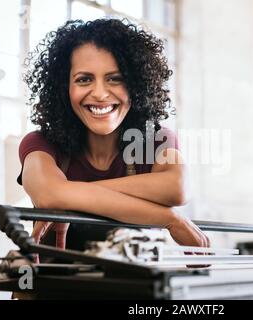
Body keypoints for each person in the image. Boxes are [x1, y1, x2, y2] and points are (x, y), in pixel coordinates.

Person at [17, 18, 210, 253]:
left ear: (136, 86)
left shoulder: (157, 141)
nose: (99, 93)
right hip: (58, 286)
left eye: (115, 79)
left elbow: (178, 188)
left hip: (134, 286)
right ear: (63, 87)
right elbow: (49, 195)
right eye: (84, 79)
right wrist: (168, 218)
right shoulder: (40, 144)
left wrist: (68, 194)